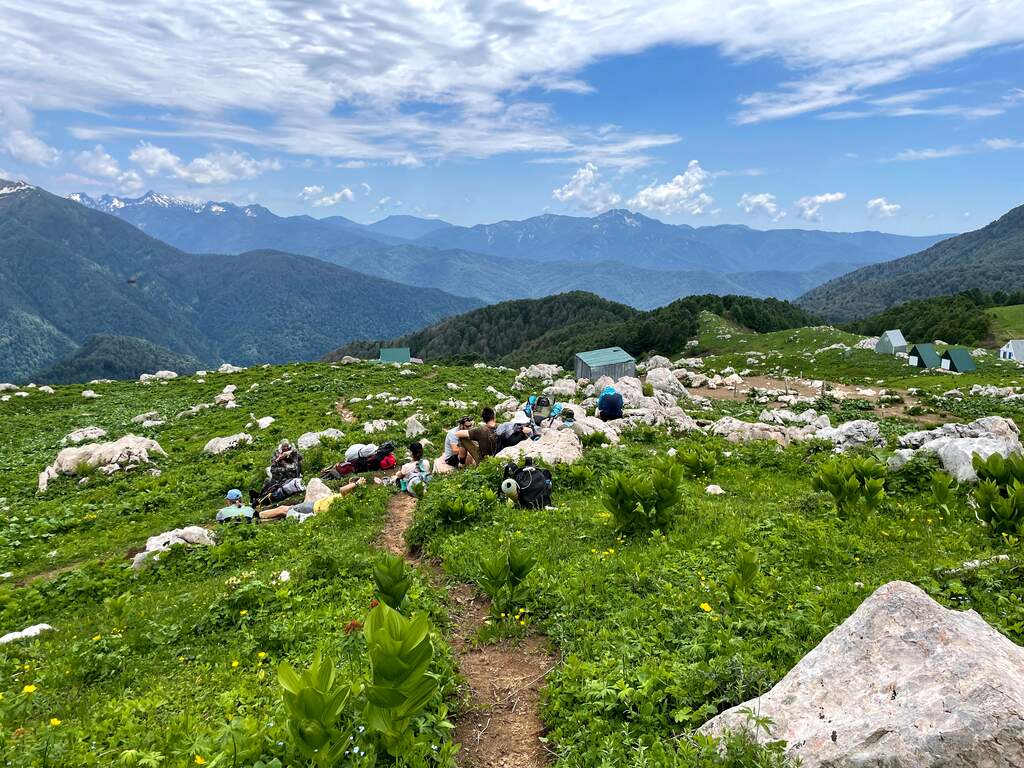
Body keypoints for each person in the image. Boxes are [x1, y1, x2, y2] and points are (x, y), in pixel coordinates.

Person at [257, 478, 366, 522]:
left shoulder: (348, 495)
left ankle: (257, 515)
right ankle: (261, 520)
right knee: (284, 514)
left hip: (314, 508)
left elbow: (342, 489)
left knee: (283, 509)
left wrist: (356, 484)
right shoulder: (350, 498)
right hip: (315, 506)